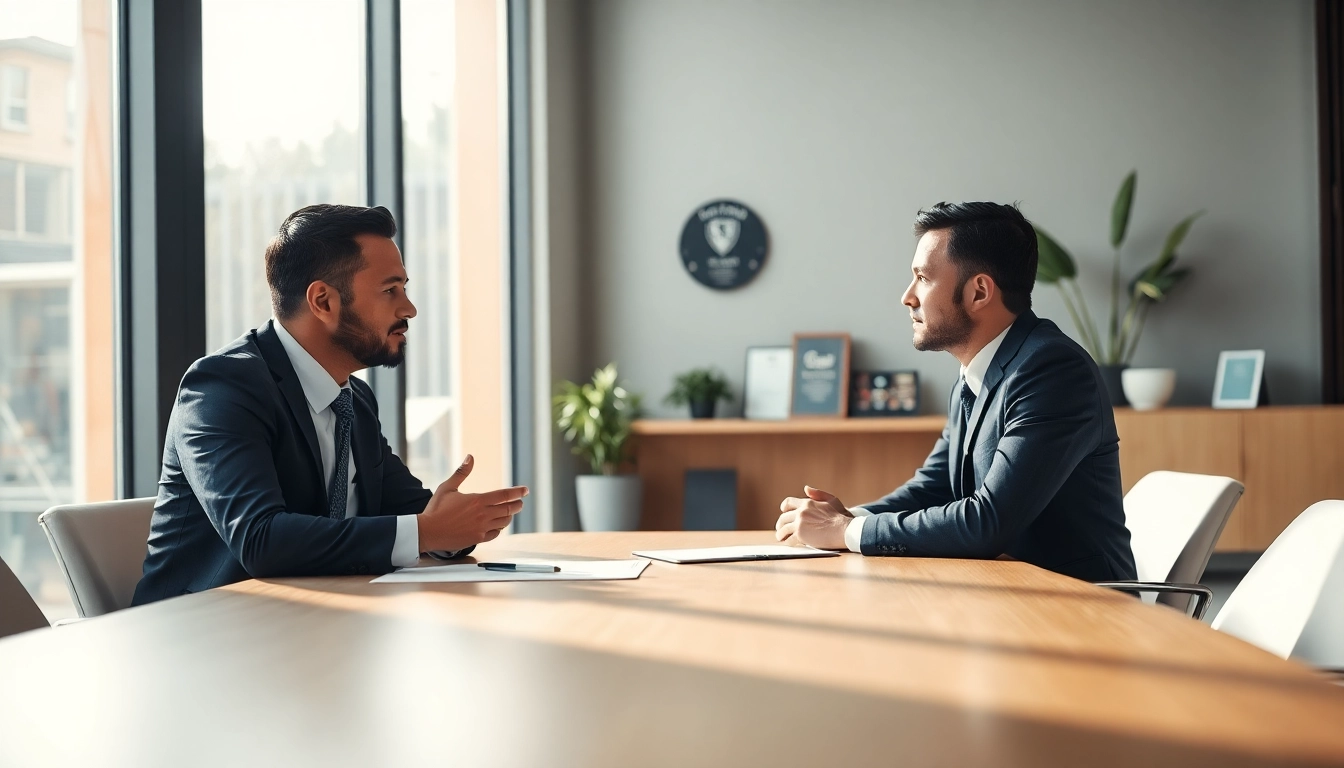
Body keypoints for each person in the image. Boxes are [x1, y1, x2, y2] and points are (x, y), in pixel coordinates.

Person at [133, 204, 527, 605]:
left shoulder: (352, 400)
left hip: (311, 626)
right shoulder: (222, 387)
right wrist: (429, 532)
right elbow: (260, 540)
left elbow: (410, 512)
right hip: (199, 635)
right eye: (390, 290)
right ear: (323, 301)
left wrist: (456, 527)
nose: (408, 308)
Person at [774, 202, 1136, 582]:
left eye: (923, 278)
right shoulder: (975, 371)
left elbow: (988, 521)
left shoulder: (1053, 370)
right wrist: (848, 518)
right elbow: (934, 488)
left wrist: (845, 532)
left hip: (1085, 609)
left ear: (978, 291)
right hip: (1008, 592)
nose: (907, 297)